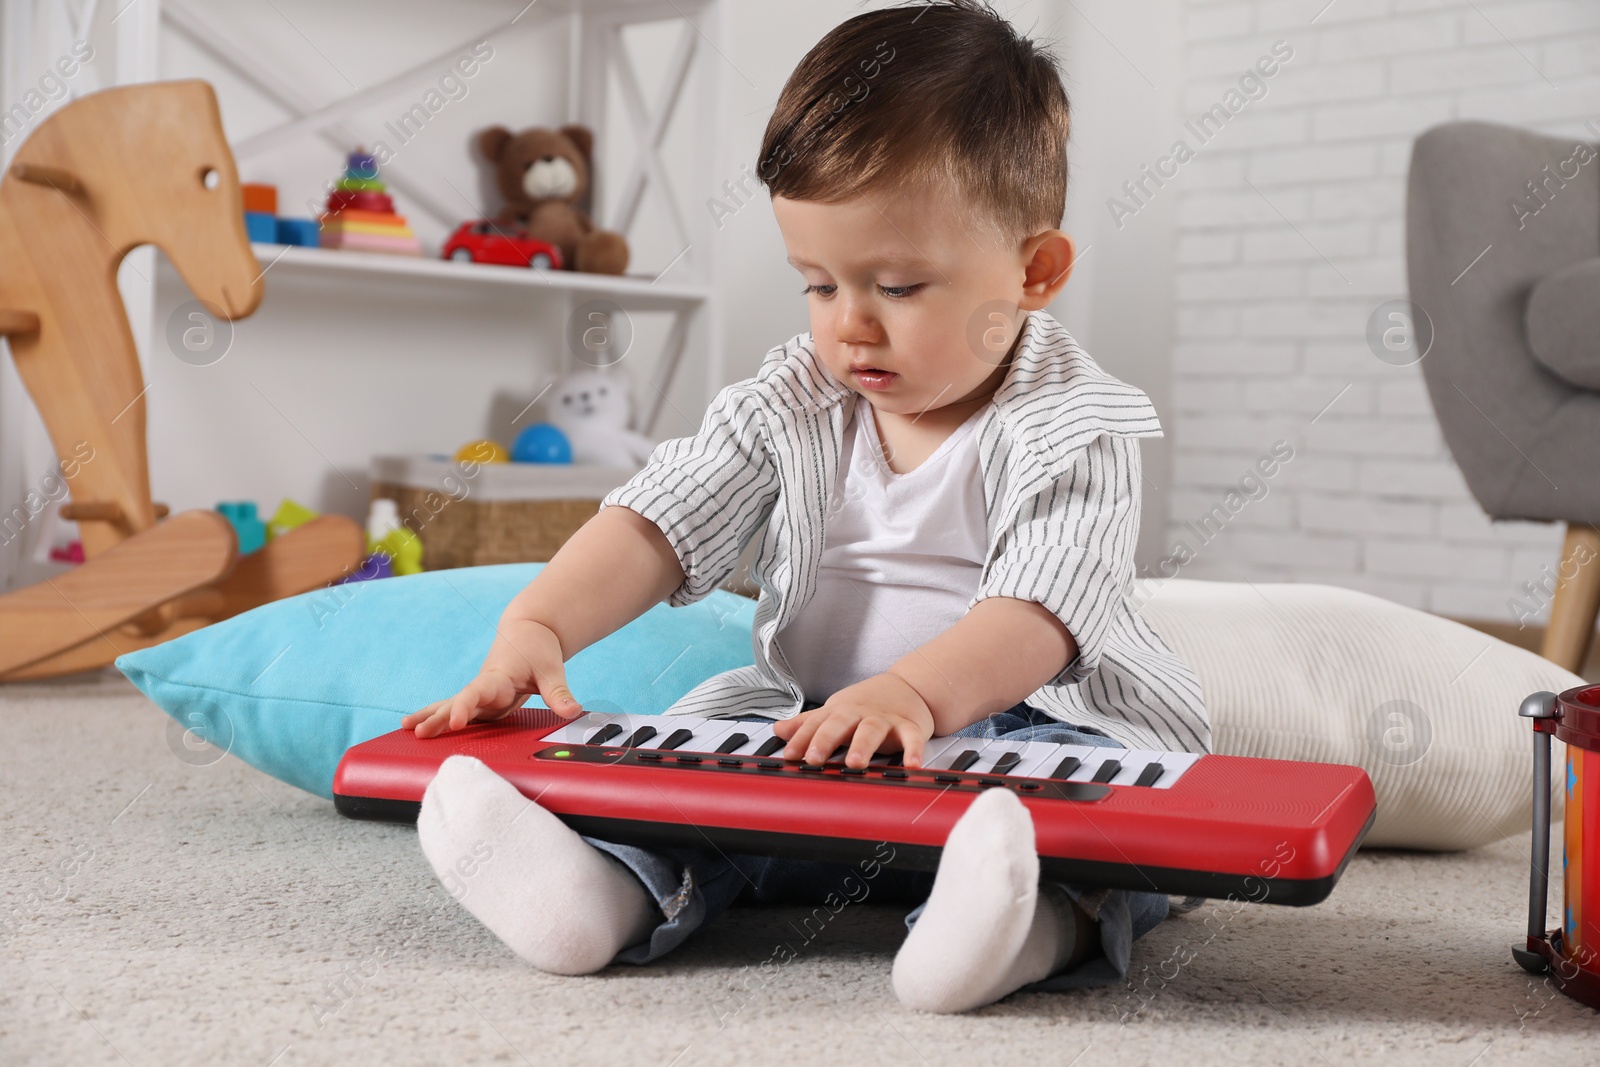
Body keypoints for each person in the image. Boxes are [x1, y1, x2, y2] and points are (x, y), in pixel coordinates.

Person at [401, 0, 1208, 1013]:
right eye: (816, 284)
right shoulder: (795, 394)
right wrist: (539, 621)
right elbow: (659, 517)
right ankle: (600, 893)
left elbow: (1040, 612)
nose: (850, 325)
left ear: (1033, 272)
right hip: (812, 728)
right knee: (689, 775)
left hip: (1031, 721)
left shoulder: (1075, 421)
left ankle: (1016, 924)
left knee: (1102, 826)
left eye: (900, 285)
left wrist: (912, 695)